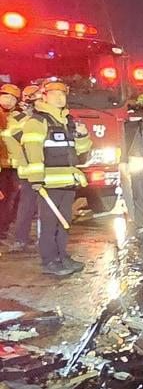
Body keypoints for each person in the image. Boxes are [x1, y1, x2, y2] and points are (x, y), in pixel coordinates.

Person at [18, 81, 92, 277]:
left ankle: (62, 255)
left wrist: (84, 136)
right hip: (48, 184)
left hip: (68, 182)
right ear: (44, 96)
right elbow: (32, 151)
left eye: (63, 94)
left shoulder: (67, 121)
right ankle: (49, 260)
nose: (59, 97)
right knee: (49, 223)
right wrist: (36, 179)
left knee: (64, 222)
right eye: (54, 94)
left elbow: (80, 154)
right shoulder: (37, 121)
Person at [7, 85, 42, 249]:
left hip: (33, 165)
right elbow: (22, 138)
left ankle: (23, 238)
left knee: (31, 205)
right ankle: (21, 238)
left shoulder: (33, 118)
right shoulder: (18, 117)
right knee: (27, 204)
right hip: (27, 166)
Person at [0, 84, 22, 243]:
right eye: (5, 96)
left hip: (14, 167)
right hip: (2, 167)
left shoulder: (20, 118)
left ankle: (4, 230)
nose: (8, 100)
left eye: (12, 97)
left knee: (11, 200)